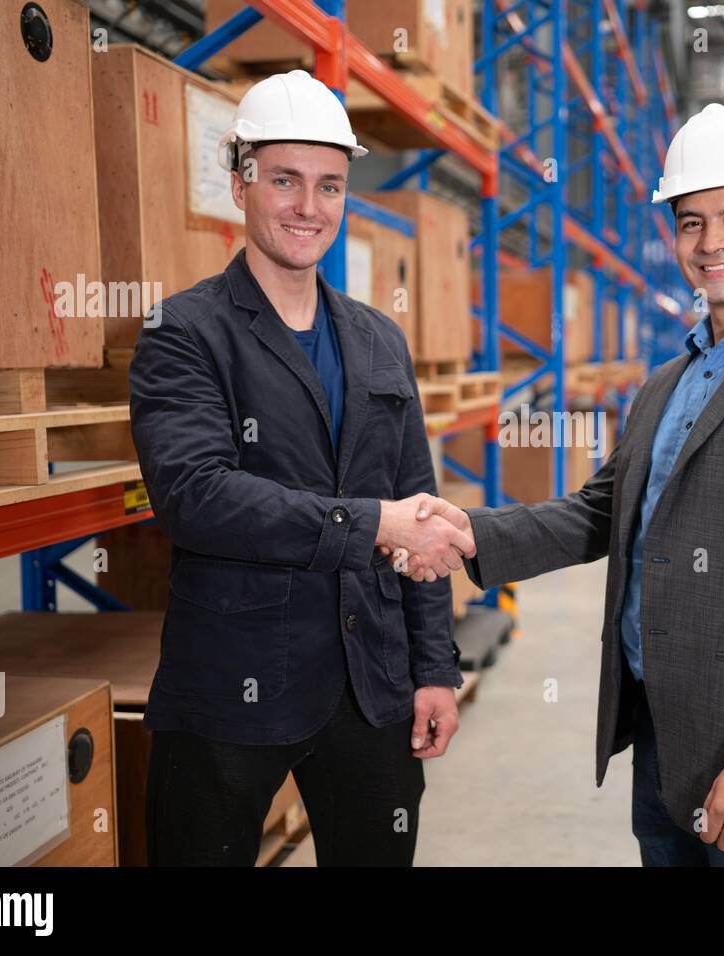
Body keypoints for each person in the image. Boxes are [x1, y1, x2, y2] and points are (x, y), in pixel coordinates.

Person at [407, 104, 724, 866]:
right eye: (691, 223)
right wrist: (474, 533)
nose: (712, 243)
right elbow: (604, 511)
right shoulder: (671, 379)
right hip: (662, 738)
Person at [128, 70, 474, 866]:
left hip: (371, 686)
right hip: (232, 686)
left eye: (329, 185)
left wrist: (434, 669)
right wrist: (370, 524)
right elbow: (196, 496)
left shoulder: (379, 340)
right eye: (285, 180)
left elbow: (416, 509)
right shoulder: (184, 333)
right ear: (240, 181)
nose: (308, 207)